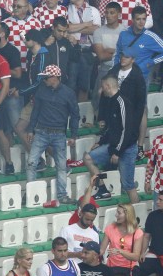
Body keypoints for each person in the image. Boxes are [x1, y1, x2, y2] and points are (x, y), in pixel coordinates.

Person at [26, 65, 80, 205]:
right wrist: (31, 129)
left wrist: (74, 135)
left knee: (61, 166)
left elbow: (75, 115)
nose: (44, 80)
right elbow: (35, 111)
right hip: (42, 131)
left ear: (54, 77)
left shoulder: (68, 93)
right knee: (32, 162)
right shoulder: (42, 91)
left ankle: (61, 195)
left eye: (46, 77)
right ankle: (31, 193)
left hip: (57, 133)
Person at [84, 73, 140, 202]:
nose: (101, 90)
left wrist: (117, 151)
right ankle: (102, 189)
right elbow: (112, 128)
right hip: (113, 146)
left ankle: (137, 218)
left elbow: (127, 130)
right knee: (88, 158)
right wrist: (101, 142)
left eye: (102, 87)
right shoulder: (111, 101)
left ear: (108, 86)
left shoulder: (122, 102)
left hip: (126, 149)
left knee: (128, 186)